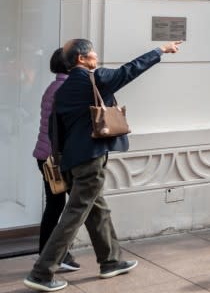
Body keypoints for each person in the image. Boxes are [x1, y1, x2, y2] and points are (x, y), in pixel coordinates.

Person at [24, 39, 182, 292]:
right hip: (90, 159)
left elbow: (56, 131)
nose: (96, 55)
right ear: (81, 59)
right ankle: (42, 272)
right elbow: (131, 69)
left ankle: (111, 261)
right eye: (92, 52)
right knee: (75, 214)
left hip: (70, 161)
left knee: (98, 210)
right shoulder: (96, 79)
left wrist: (60, 161)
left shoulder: (61, 91)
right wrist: (160, 50)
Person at [31, 49, 79, 273]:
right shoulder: (66, 89)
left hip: (47, 157)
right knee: (70, 206)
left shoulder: (54, 87)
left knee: (57, 205)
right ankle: (56, 255)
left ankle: (48, 253)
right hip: (56, 160)